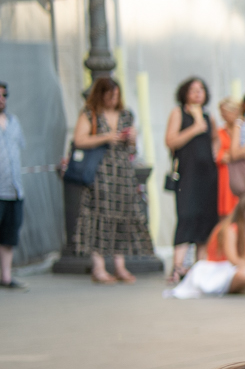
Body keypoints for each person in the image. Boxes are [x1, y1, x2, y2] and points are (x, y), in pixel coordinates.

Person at [71, 76, 149, 285]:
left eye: (116, 95)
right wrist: (106, 137)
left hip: (122, 171)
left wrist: (131, 139)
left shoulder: (126, 114)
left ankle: (120, 265)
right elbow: (79, 140)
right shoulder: (90, 114)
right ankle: (99, 267)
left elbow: (133, 149)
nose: (113, 99)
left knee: (122, 216)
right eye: (109, 95)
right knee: (100, 216)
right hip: (100, 171)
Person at [165, 80, 223, 276]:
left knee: (206, 218)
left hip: (207, 174)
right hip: (187, 173)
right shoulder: (179, 113)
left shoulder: (208, 116)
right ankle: (177, 266)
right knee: (186, 215)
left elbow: (215, 138)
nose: (198, 94)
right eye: (193, 90)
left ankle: (200, 267)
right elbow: (171, 141)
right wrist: (195, 128)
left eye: (201, 90)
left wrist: (214, 153)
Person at [0, 81, 22, 289]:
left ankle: (6, 276)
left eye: (4, 95)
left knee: (9, 236)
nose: (2, 99)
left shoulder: (14, 122)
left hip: (14, 190)